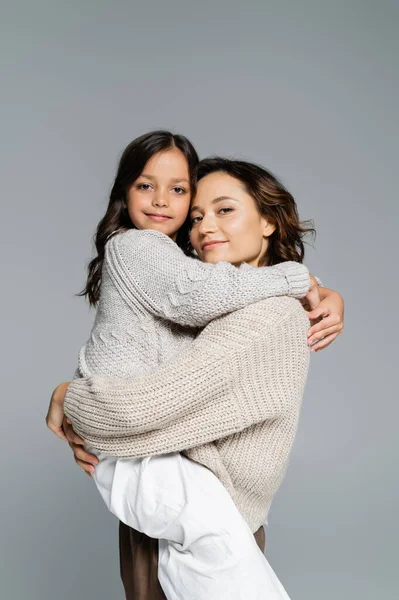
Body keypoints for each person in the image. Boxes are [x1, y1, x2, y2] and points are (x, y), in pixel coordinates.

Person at [47, 133, 344, 599]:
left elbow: (141, 409)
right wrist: (308, 282)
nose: (204, 225)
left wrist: (72, 399)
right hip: (177, 498)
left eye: (224, 209)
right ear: (125, 193)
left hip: (203, 506)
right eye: (200, 215)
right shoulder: (152, 255)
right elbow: (202, 289)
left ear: (268, 221)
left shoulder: (264, 314)